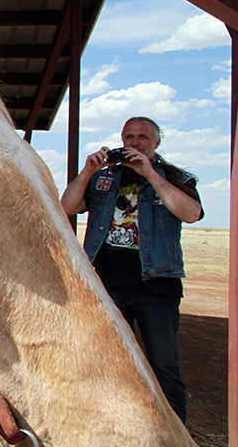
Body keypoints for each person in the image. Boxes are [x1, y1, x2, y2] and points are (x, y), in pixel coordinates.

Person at [60, 116, 202, 422]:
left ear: (156, 143)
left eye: (143, 137)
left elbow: (191, 214)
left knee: (163, 363)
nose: (135, 142)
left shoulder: (175, 178)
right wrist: (87, 172)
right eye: (129, 137)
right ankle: (116, 422)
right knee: (111, 358)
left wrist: (149, 173)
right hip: (109, 283)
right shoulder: (104, 177)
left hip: (157, 284)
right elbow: (68, 207)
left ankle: (175, 431)